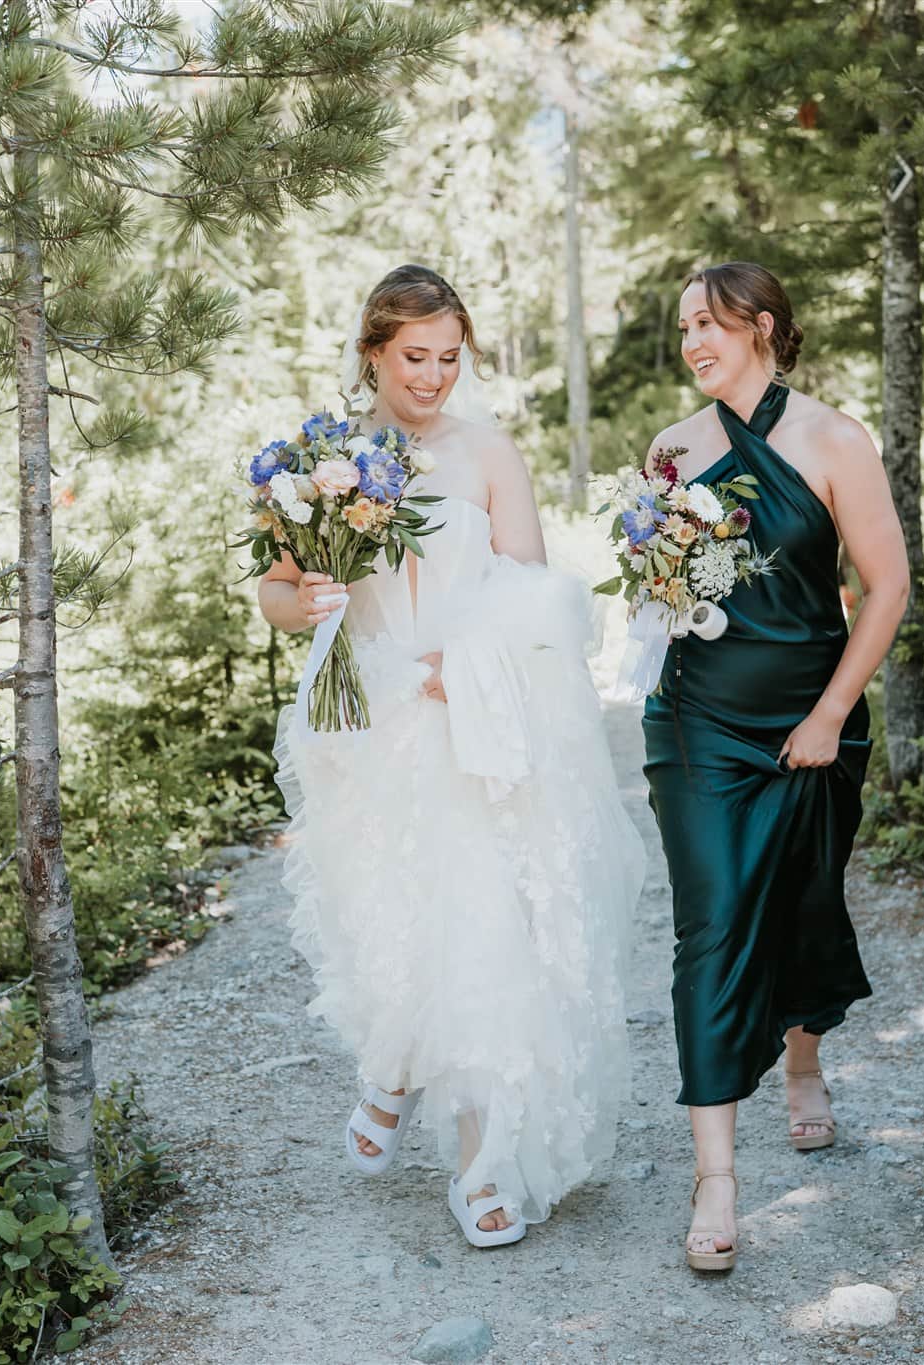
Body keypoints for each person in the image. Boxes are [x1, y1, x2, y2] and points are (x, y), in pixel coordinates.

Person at [258, 264, 643, 1248]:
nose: (431, 377)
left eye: (447, 358)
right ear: (373, 354)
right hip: (369, 719)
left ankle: (480, 1161)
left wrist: (469, 655)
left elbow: (534, 587)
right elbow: (275, 588)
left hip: (471, 717)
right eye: (412, 358)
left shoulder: (487, 453)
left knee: (482, 928)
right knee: (396, 922)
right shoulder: (325, 458)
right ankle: (388, 1068)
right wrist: (306, 603)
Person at [642, 262, 910, 1271]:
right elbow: (661, 595)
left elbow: (884, 589)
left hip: (811, 720)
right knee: (708, 926)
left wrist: (828, 713)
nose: (692, 344)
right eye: (682, 331)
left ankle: (802, 1057)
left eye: (707, 325)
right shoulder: (671, 451)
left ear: (759, 326)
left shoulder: (833, 440)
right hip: (696, 721)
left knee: (801, 903)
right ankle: (716, 1181)